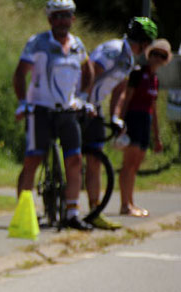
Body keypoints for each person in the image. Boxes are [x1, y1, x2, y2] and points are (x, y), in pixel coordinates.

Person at [12, 0, 94, 231]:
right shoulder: (37, 43)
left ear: (73, 19)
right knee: (33, 160)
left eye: (66, 16)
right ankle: (24, 212)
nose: (61, 21)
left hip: (68, 110)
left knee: (75, 160)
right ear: (50, 20)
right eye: (56, 16)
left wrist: (84, 98)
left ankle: (72, 213)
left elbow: (88, 72)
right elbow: (20, 74)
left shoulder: (78, 45)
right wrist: (22, 103)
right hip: (40, 110)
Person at [80, 17, 158, 230]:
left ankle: (94, 210)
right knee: (75, 158)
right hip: (79, 104)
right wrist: (83, 101)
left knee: (95, 160)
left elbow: (119, 91)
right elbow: (91, 71)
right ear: (143, 42)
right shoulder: (114, 50)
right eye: (148, 43)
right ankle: (69, 209)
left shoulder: (129, 60)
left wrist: (115, 116)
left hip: (95, 107)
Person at [118, 38, 173, 217]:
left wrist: (156, 136)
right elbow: (127, 99)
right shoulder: (137, 73)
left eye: (162, 56)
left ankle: (131, 202)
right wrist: (121, 122)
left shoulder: (154, 80)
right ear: (149, 55)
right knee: (128, 163)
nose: (158, 58)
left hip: (146, 120)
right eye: (155, 54)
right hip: (133, 118)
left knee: (136, 165)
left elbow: (154, 108)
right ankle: (124, 204)